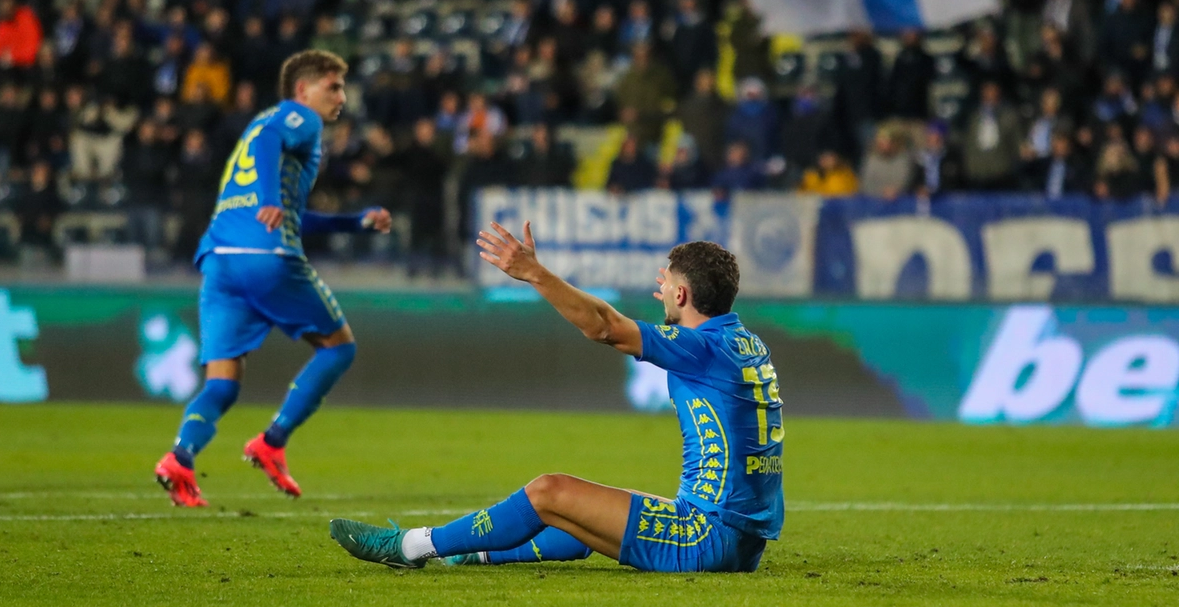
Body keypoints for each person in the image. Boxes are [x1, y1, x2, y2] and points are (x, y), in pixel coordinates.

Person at [331, 227, 784, 573]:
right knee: (585, 510)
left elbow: (604, 326)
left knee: (551, 491)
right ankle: (474, 554)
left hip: (706, 536)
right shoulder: (746, 344)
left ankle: (412, 546)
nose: (660, 290)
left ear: (682, 294)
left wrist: (533, 272)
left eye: (667, 285)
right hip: (741, 542)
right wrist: (675, 301)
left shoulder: (700, 348)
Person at [154, 51, 393, 507]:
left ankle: (180, 459)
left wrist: (354, 223)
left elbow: (294, 215)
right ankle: (273, 440)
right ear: (303, 90)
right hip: (265, 256)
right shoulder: (297, 119)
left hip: (221, 258)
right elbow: (268, 149)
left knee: (222, 381)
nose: (341, 97)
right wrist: (269, 198)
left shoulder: (269, 125)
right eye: (333, 87)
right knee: (340, 346)